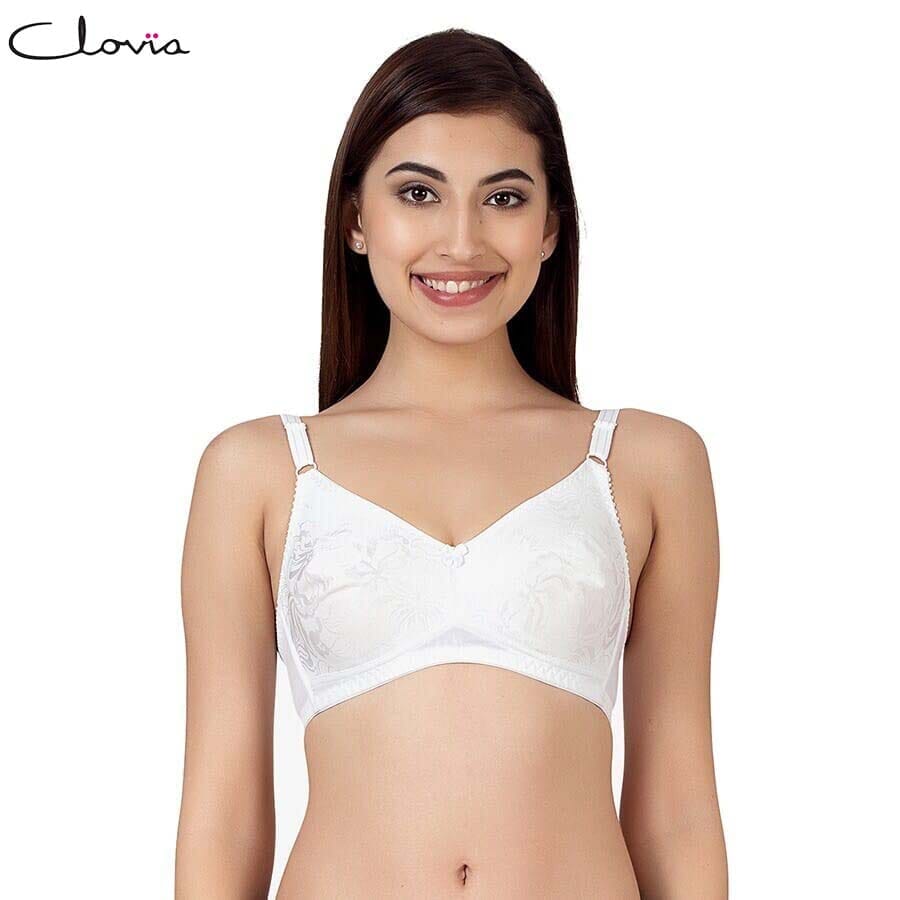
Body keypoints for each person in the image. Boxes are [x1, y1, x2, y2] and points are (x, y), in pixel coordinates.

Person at [175, 28, 727, 899]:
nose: (462, 242)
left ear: (551, 227)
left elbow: (678, 809)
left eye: (503, 198)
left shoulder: (646, 464)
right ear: (356, 220)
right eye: (418, 193)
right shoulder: (261, 473)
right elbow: (223, 817)